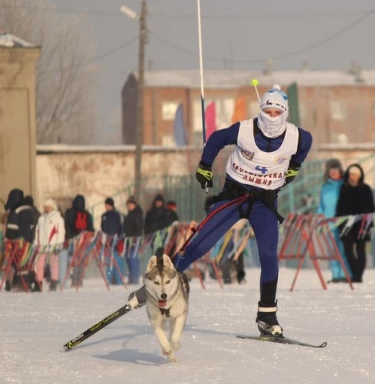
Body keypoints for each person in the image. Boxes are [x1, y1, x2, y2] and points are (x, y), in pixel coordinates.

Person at [126, 85, 312, 337]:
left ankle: (267, 316)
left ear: (285, 113)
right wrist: (205, 166)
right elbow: (215, 139)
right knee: (199, 244)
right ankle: (151, 288)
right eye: (267, 110)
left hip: (264, 203)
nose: (271, 117)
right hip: (233, 197)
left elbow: (300, 153)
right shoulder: (244, 129)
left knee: (269, 256)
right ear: (261, 109)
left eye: (277, 112)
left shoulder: (299, 137)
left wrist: (294, 168)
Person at [336, 164, 375, 283]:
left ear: (359, 176)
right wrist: (340, 222)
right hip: (347, 224)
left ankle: (358, 276)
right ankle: (355, 273)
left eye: (355, 174)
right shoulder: (344, 188)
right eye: (351, 174)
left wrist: (369, 224)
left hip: (362, 223)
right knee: (348, 249)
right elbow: (340, 206)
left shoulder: (366, 189)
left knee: (360, 250)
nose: (352, 176)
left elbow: (371, 207)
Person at [317, 159, 350, 283]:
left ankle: (345, 274)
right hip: (328, 222)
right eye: (331, 170)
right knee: (332, 250)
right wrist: (319, 214)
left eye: (336, 170)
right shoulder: (325, 186)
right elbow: (321, 204)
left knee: (343, 249)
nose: (334, 172)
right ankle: (335, 275)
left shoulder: (344, 184)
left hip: (342, 220)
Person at [4, 188, 36, 291]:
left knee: (16, 262)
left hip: (17, 241)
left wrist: (8, 237)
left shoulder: (16, 211)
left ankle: (19, 284)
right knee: (25, 262)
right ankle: (27, 282)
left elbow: (12, 228)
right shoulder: (30, 210)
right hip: (29, 241)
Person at [34, 199, 65, 291]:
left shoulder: (58, 218)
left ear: (52, 207)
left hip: (53, 245)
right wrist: (36, 243)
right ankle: (39, 283)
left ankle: (54, 282)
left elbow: (61, 233)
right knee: (39, 264)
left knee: (53, 263)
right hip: (42, 245)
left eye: (48, 206)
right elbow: (37, 232)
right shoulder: (41, 219)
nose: (46, 208)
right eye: (45, 206)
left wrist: (59, 244)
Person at [64, 194, 94, 287]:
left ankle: (73, 278)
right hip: (83, 241)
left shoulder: (69, 212)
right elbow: (91, 229)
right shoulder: (87, 214)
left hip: (71, 240)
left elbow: (66, 226)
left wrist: (68, 238)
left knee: (71, 259)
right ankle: (79, 279)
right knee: (80, 260)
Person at [101, 197, 124, 285]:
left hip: (115, 240)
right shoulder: (104, 216)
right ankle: (109, 279)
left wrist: (119, 239)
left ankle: (119, 280)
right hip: (107, 241)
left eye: (107, 205)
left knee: (116, 261)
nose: (106, 207)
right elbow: (103, 228)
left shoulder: (117, 215)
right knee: (108, 262)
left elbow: (121, 228)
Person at [123, 196, 144, 284]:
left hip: (136, 240)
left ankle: (135, 278)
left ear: (135, 205)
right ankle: (131, 277)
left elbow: (139, 228)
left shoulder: (138, 215)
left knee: (133, 258)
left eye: (131, 204)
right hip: (128, 239)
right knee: (128, 258)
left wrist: (135, 239)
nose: (129, 206)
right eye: (128, 204)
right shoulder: (128, 215)